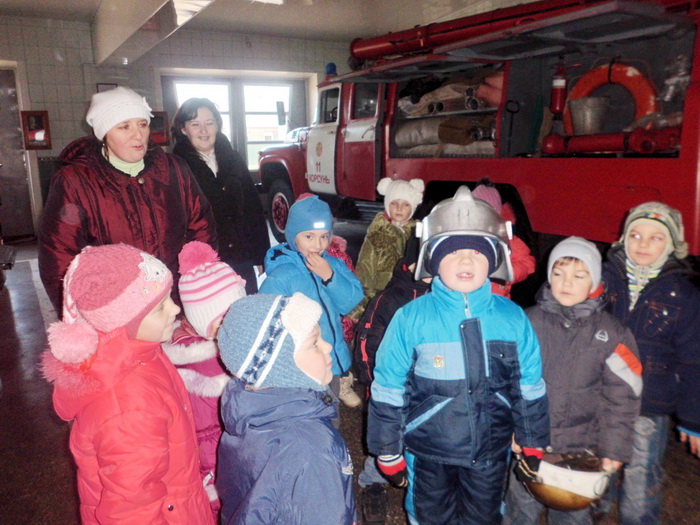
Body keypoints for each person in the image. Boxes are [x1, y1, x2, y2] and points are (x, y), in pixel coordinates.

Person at [367, 186, 550, 524]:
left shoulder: (512, 318)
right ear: (433, 261)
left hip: (491, 452)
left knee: (485, 516)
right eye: (453, 252)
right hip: (428, 453)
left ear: (494, 260)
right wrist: (388, 449)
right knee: (429, 516)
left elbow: (530, 384)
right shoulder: (411, 318)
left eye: (478, 252)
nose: (466, 260)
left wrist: (532, 439)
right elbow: (388, 386)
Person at [40, 243, 214, 524]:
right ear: (123, 324)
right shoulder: (130, 408)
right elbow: (132, 512)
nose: (175, 308)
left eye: (169, 297)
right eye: (159, 307)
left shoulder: (141, 353)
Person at [39, 87, 217, 313]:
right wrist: (82, 316)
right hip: (115, 312)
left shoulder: (173, 169)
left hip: (174, 303)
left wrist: (197, 284)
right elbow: (60, 256)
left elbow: (201, 226)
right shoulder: (75, 181)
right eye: (124, 127)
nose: (138, 135)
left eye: (142, 124)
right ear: (104, 133)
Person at [503, 236, 642, 525]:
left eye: (579, 276)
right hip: (531, 445)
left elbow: (623, 397)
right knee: (520, 512)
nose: (566, 283)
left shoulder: (613, 334)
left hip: (581, 451)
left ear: (594, 282)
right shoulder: (527, 322)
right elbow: (508, 382)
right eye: (558, 273)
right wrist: (513, 429)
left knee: (572, 518)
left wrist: (614, 448)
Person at [215, 292, 357, 524]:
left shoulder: (248, 411)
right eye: (314, 343)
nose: (328, 346)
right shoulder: (310, 451)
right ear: (282, 366)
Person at [601, 202, 700, 525]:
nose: (643, 244)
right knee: (598, 459)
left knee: (641, 475)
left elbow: (693, 361)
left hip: (649, 403)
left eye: (656, 237)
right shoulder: (602, 279)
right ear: (623, 238)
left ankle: (638, 518)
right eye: (636, 235)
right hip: (602, 394)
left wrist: (692, 419)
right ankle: (598, 505)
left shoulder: (684, 295)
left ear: (672, 244)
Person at [162, 240, 247, 519]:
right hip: (216, 470)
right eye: (225, 320)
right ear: (203, 321)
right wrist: (216, 486)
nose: (236, 325)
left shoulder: (216, 346)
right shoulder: (204, 367)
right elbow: (207, 435)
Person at [354, 240, 432, 525]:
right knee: (389, 438)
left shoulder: (445, 299)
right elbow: (367, 340)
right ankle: (373, 482)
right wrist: (373, 382)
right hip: (392, 389)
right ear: (408, 264)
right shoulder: (391, 298)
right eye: (422, 263)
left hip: (429, 392)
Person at [259, 195, 363, 408]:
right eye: (309, 236)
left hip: (332, 356)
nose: (318, 245)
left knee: (331, 407)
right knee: (309, 410)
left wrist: (330, 277)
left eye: (324, 236)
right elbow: (266, 321)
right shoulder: (281, 277)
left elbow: (350, 301)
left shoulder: (334, 264)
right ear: (293, 236)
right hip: (302, 365)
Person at [171, 98, 269, 294]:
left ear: (217, 125)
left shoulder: (233, 158)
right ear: (183, 129)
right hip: (204, 263)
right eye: (195, 124)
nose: (203, 131)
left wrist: (261, 254)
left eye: (209, 123)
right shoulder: (176, 166)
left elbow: (253, 207)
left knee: (248, 307)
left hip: (241, 256)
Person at [352, 177, 424, 318]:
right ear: (387, 204)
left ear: (413, 207)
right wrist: (362, 305)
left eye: (406, 205)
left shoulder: (418, 234)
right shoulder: (377, 234)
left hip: (410, 296)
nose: (399, 209)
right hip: (382, 296)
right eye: (394, 203)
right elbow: (365, 269)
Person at [472, 178, 536, 299]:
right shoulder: (462, 235)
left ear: (496, 214)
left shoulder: (507, 238)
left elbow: (526, 263)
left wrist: (506, 273)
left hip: (497, 300)